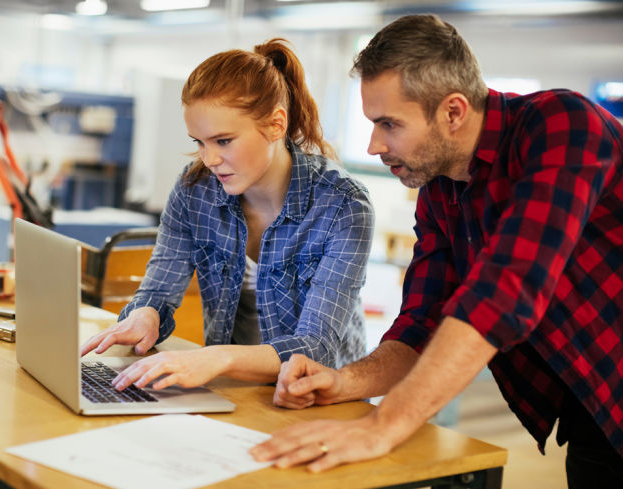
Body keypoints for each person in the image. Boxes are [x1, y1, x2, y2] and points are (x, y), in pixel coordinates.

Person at [250, 14, 623, 488]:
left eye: (389, 123)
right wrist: (345, 382)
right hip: (593, 401)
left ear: (452, 111)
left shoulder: (563, 126)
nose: (374, 143)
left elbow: (507, 290)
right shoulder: (441, 189)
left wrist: (385, 425)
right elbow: (422, 323)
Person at [81, 39, 373, 392]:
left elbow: (315, 347)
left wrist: (217, 357)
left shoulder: (343, 205)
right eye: (199, 142)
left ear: (276, 124)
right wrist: (147, 314)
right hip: (234, 387)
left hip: (320, 397)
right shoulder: (194, 192)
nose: (209, 159)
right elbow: (159, 289)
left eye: (223, 141)